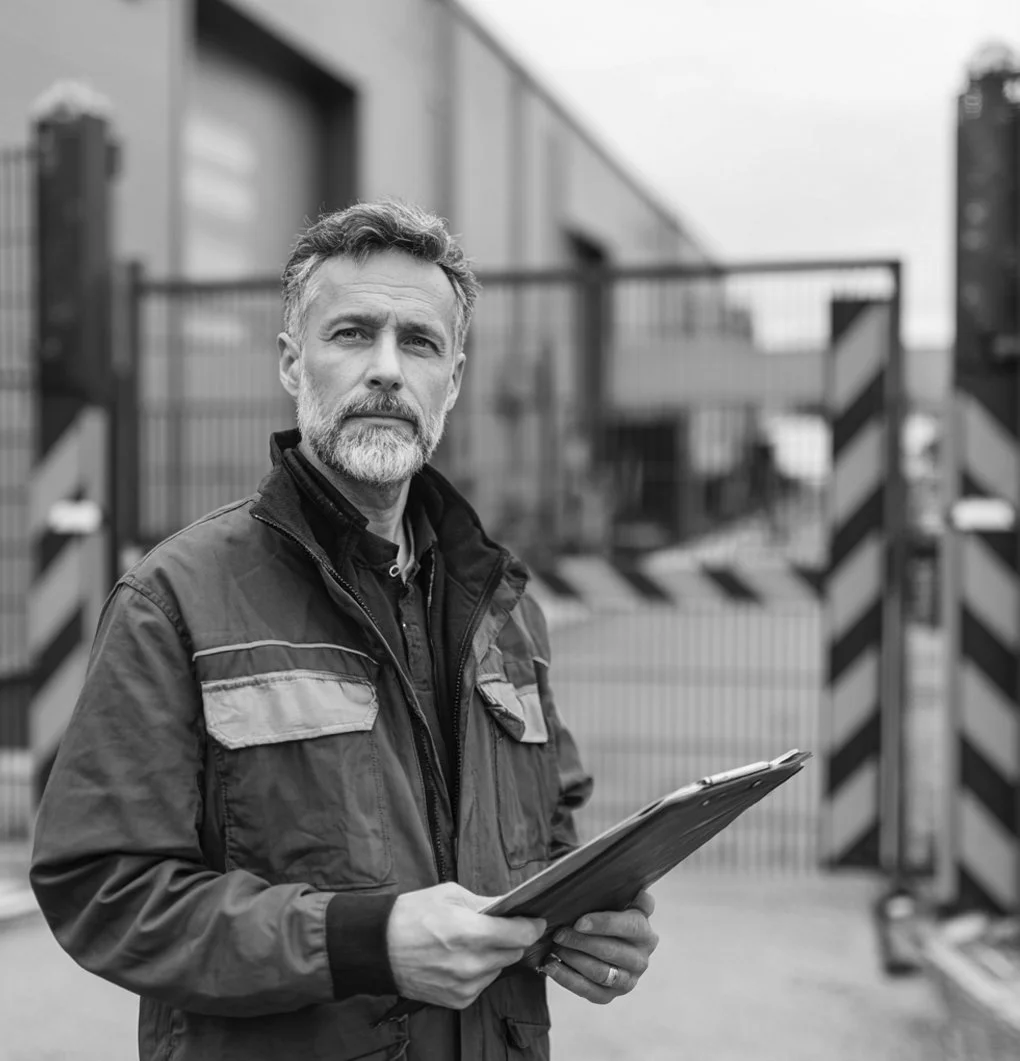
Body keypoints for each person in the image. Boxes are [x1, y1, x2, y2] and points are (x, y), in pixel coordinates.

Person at [30, 200, 659, 1061]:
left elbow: (548, 833)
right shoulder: (175, 601)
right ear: (293, 361)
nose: (387, 370)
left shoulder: (504, 608)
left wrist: (586, 922)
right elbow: (102, 886)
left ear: (453, 380)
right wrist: (365, 940)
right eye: (353, 334)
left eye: (420, 343)